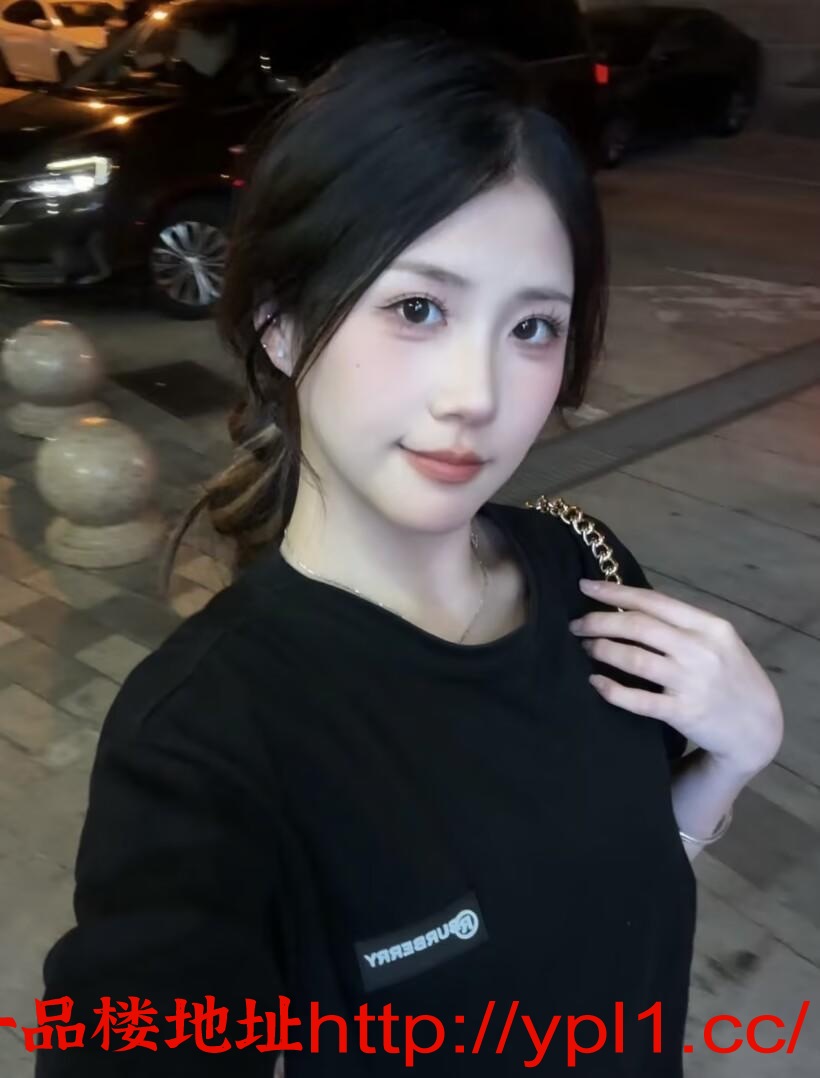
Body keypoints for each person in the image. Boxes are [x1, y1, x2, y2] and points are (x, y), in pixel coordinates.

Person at [35, 32, 784, 1078]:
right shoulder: (205, 744)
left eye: (533, 327)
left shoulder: (586, 567)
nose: (477, 395)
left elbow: (625, 888)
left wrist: (729, 761)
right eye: (417, 308)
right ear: (279, 323)